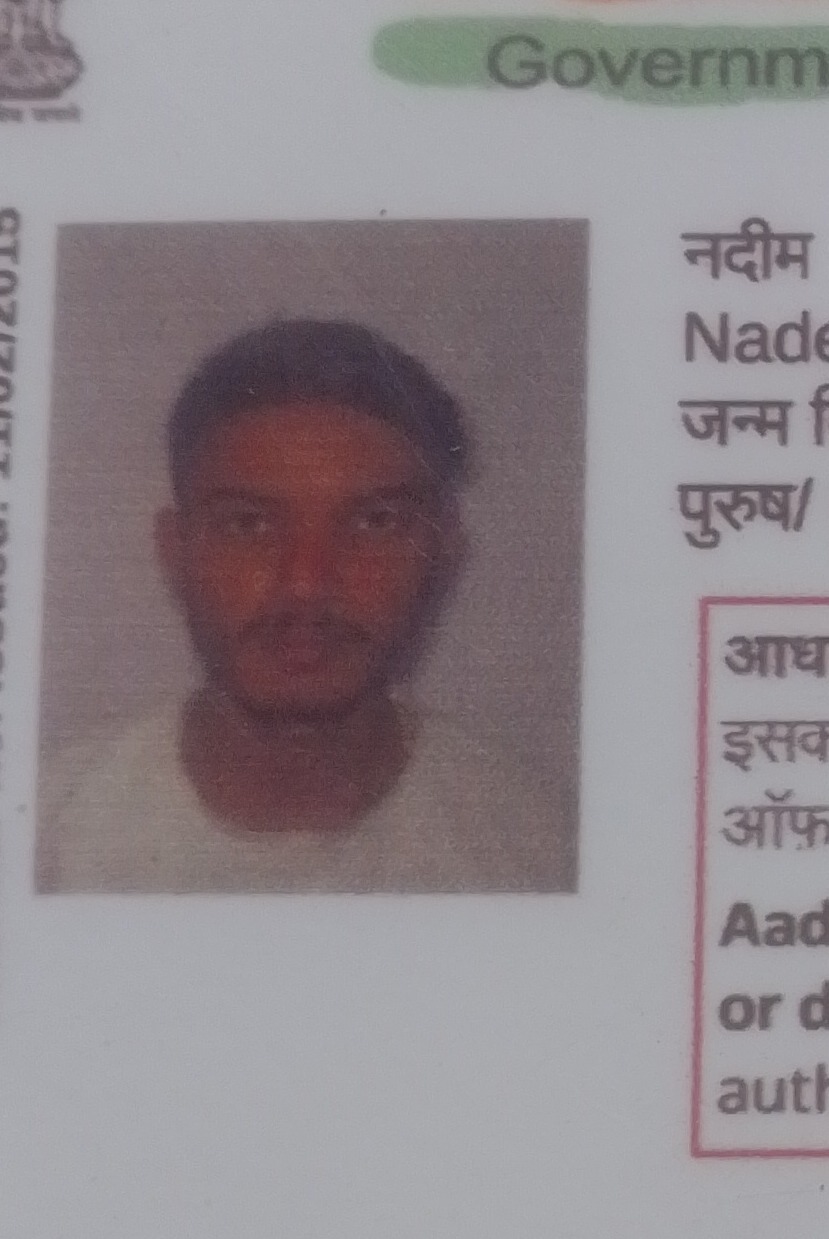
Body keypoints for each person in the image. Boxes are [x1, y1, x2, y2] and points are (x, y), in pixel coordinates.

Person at [39, 317, 573, 892]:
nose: (306, 584)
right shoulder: (48, 837)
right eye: (247, 524)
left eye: (374, 522)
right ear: (175, 553)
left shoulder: (537, 848)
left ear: (441, 551)